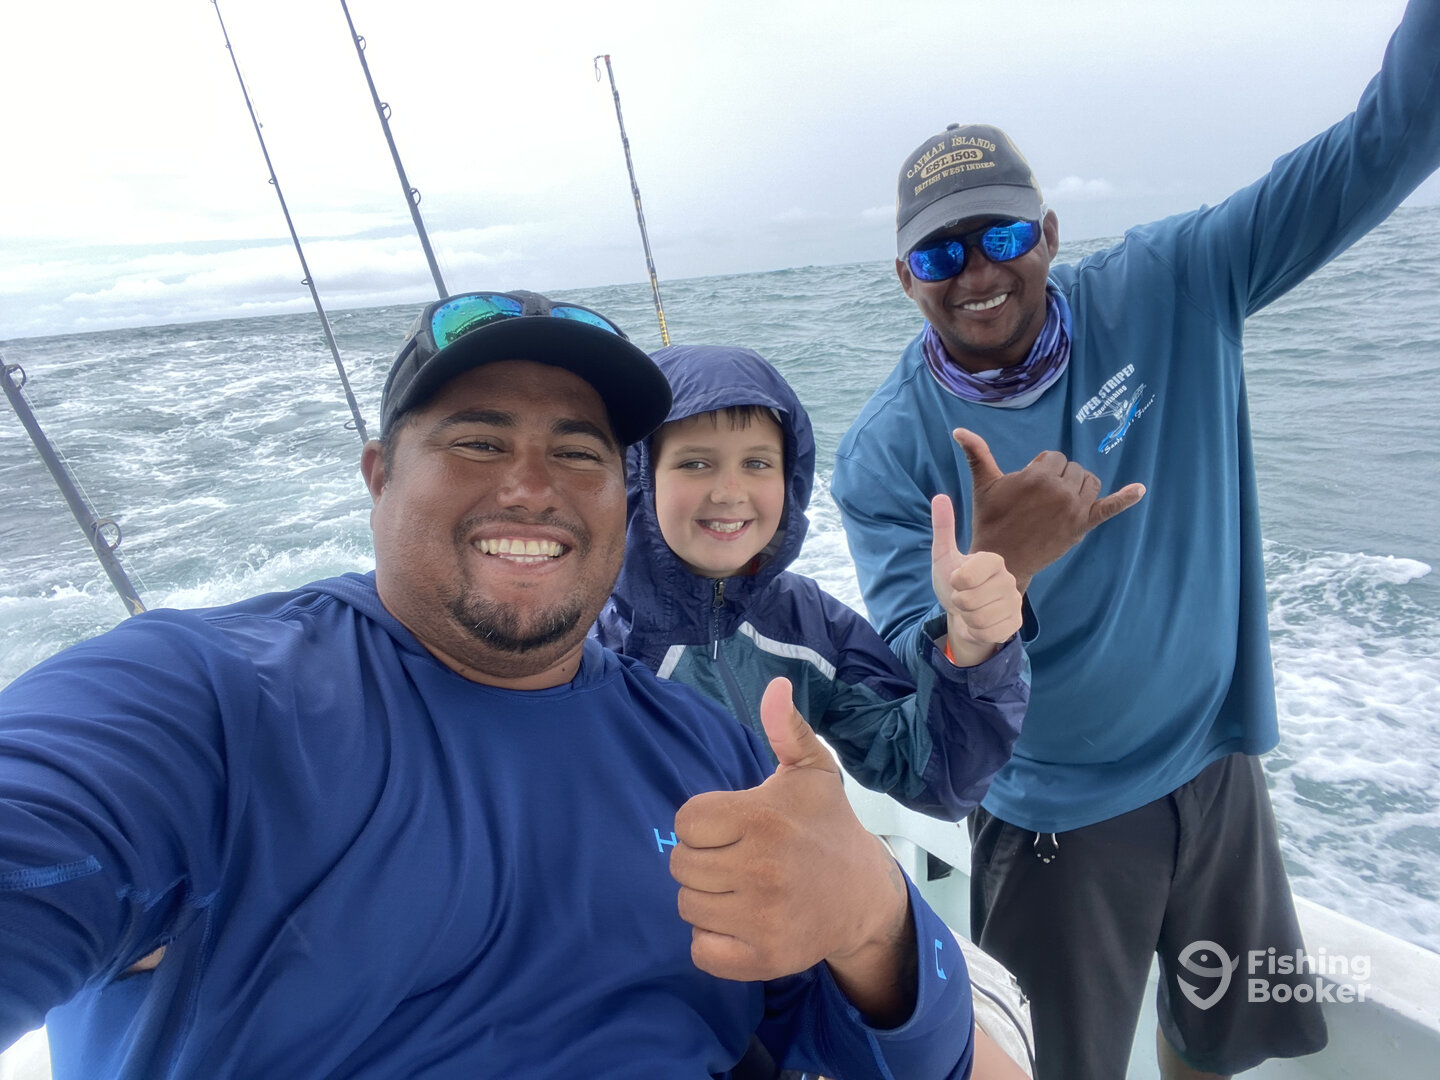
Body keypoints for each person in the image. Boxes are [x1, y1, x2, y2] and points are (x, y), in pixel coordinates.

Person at [0, 290, 977, 1078]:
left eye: (580, 453)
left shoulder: (715, 746)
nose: (532, 487)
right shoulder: (199, 698)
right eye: (478, 441)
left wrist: (874, 916)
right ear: (379, 476)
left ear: (623, 497)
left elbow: (912, 1059)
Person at [830, 3, 1440, 1079]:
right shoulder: (886, 451)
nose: (977, 271)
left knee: (1216, 1039)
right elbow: (928, 680)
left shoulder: (1174, 283)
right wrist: (1000, 574)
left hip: (1216, 765)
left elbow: (1385, 139)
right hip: (1054, 816)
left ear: (1050, 235)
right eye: (941, 251)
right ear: (904, 275)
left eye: (1002, 236)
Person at [595, 343, 1028, 821]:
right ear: (641, 477)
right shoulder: (587, 640)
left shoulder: (808, 619)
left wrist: (969, 647)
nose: (728, 492)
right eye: (695, 463)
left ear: (792, 477)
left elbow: (930, 777)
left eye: (757, 463)